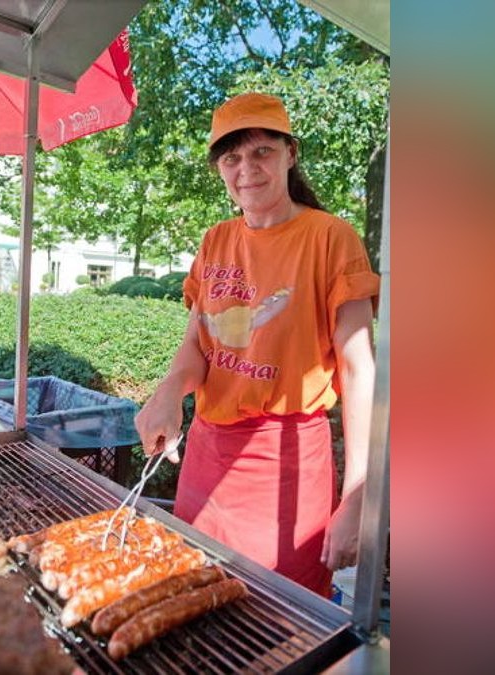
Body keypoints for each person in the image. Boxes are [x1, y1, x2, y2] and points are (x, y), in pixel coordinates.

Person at [134, 92, 379, 596]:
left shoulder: (331, 238)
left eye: (262, 151)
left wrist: (358, 496)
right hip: (206, 452)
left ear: (291, 153)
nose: (247, 168)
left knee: (277, 621)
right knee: (192, 597)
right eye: (232, 157)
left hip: (286, 462)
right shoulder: (215, 240)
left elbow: (359, 372)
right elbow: (196, 348)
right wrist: (167, 394)